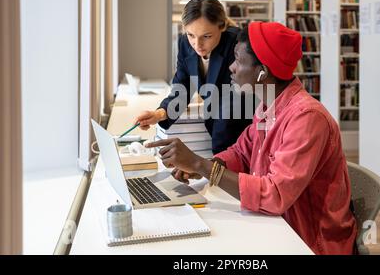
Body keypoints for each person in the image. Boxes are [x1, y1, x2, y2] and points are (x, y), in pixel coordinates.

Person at [146, 21, 358, 255]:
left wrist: (201, 165)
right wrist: (203, 166)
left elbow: (275, 195)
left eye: (238, 59)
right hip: (278, 226)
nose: (232, 67)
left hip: (308, 241)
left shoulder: (307, 119)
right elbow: (241, 152)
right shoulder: (270, 104)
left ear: (262, 72)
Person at [134, 0, 252, 154]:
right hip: (217, 126)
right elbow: (182, 88)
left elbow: (230, 109)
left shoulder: (237, 44)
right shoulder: (185, 44)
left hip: (241, 131)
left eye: (206, 36)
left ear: (222, 26)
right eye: (191, 35)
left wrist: (214, 163)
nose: (197, 44)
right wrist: (159, 114)